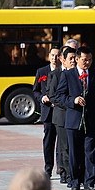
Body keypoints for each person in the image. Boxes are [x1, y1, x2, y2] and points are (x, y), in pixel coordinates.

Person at [56, 46, 95, 190]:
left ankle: (89, 182)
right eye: (84, 60)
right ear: (77, 59)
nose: (87, 63)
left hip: (92, 120)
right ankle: (75, 180)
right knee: (75, 152)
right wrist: (73, 100)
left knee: (91, 151)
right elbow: (60, 96)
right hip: (74, 120)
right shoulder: (68, 75)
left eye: (90, 60)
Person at [47, 46, 76, 186]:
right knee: (64, 147)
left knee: (74, 146)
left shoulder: (78, 73)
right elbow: (53, 96)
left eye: (75, 58)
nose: (73, 61)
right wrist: (71, 104)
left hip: (76, 115)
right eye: (70, 59)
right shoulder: (56, 75)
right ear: (63, 60)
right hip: (62, 115)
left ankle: (74, 172)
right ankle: (65, 173)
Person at [33, 46, 60, 178]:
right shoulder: (41, 71)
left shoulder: (64, 71)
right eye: (52, 55)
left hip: (60, 112)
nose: (55, 58)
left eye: (57, 55)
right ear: (49, 56)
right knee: (48, 142)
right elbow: (35, 90)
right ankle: (48, 168)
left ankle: (62, 169)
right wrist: (42, 97)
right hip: (48, 112)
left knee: (62, 143)